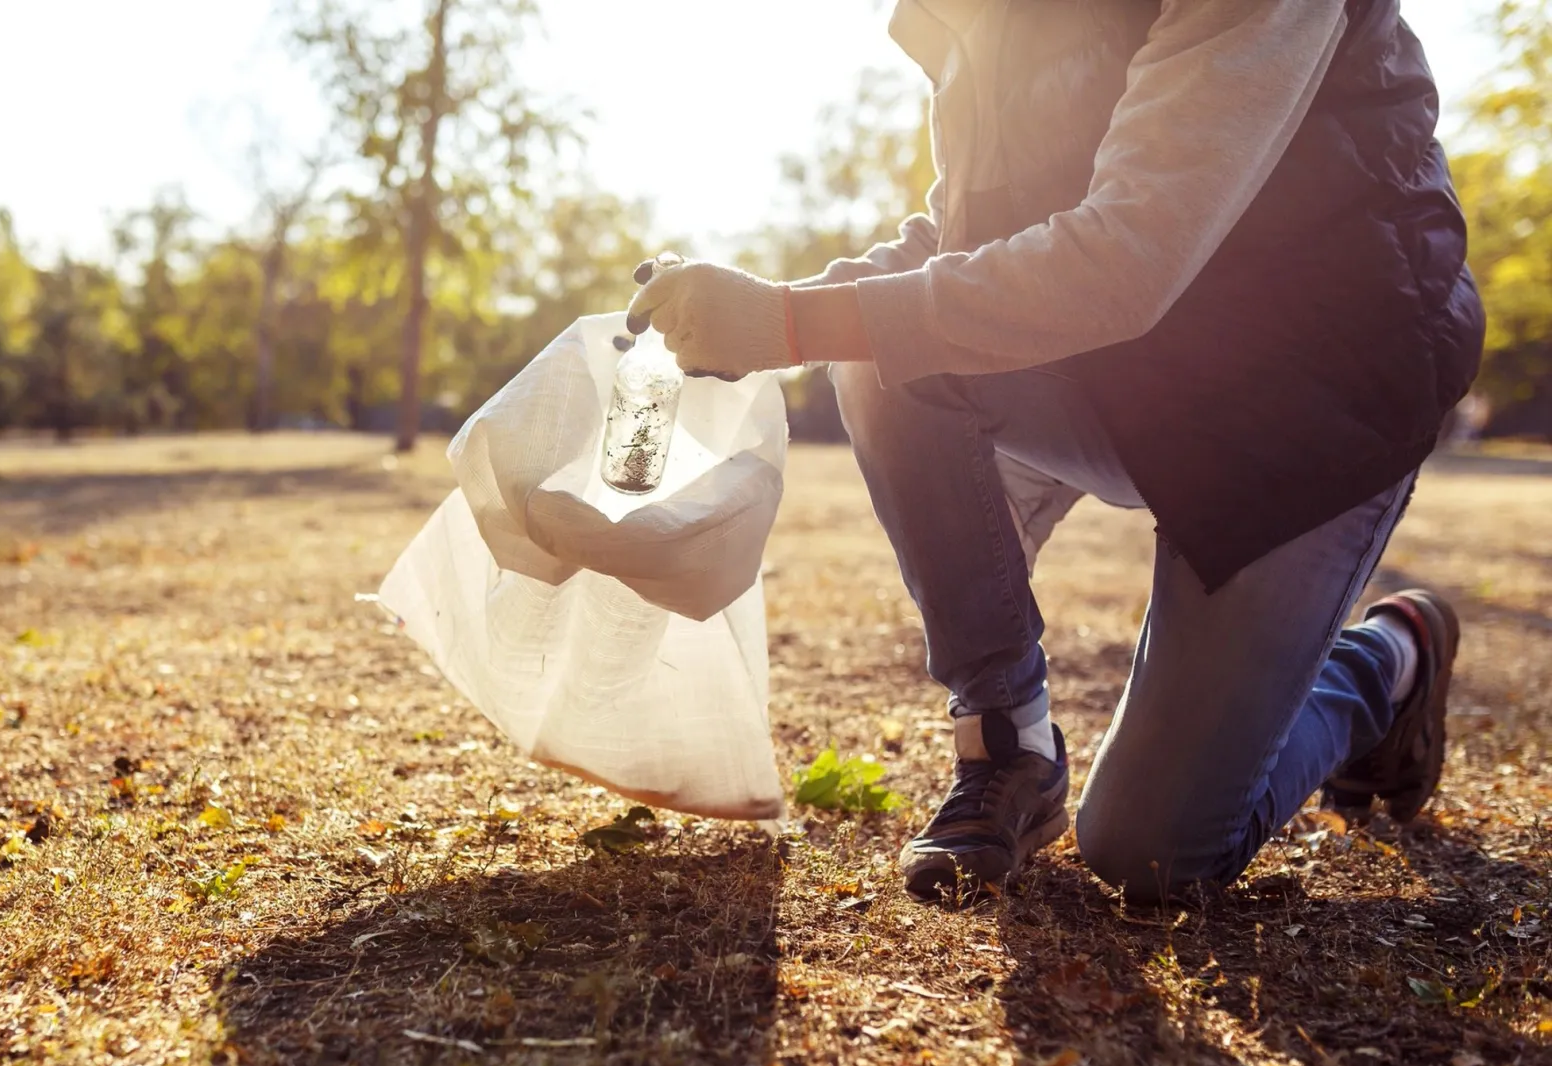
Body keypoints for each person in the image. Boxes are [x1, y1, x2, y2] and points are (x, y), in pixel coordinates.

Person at [625, 0, 1484, 901]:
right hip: (1141, 376)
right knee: (879, 353)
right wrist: (770, 307)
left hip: (1316, 406)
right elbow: (965, 238)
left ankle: (1387, 660)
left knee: (1154, 849)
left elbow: (1124, 260)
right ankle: (1010, 748)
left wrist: (790, 321)